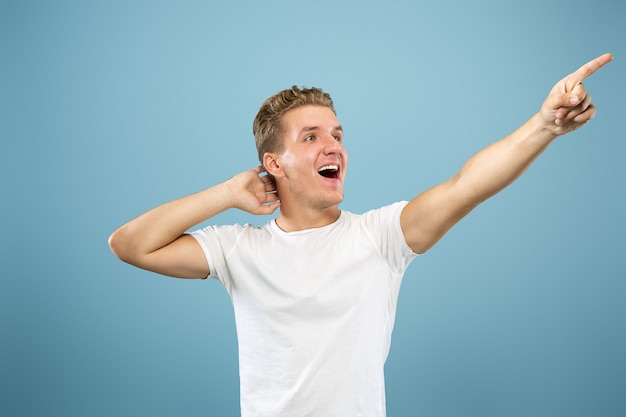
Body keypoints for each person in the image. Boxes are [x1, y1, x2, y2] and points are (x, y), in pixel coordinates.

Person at [108, 53, 613, 417]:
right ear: (273, 164)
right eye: (311, 137)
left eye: (337, 135)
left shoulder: (380, 237)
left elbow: (466, 187)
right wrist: (225, 192)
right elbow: (129, 244)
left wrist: (543, 127)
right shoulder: (239, 247)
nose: (334, 146)